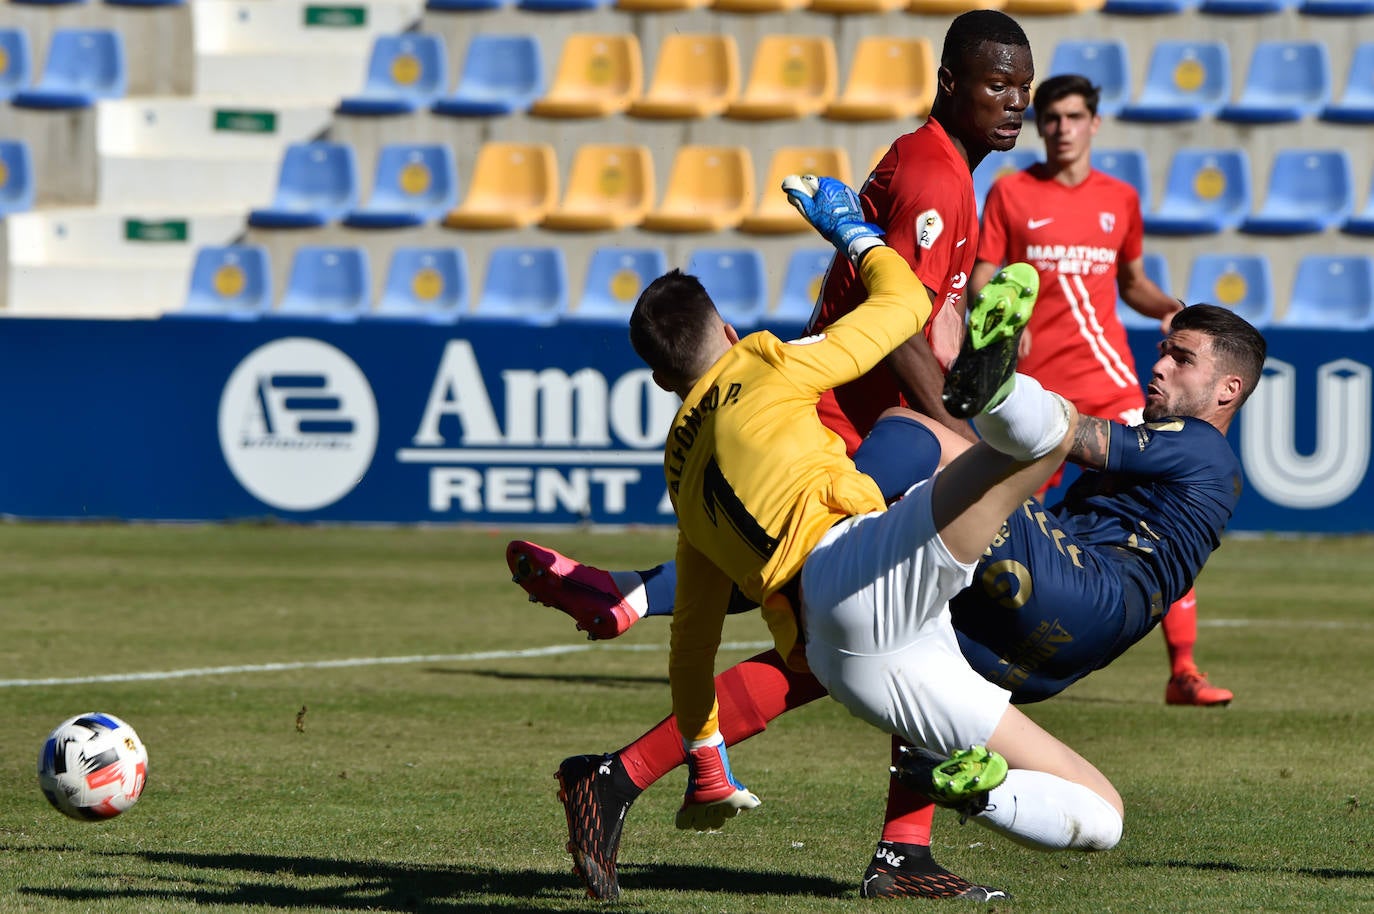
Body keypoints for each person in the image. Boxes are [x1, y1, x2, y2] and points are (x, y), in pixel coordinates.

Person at [536, 11, 1040, 902]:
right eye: (996, 84)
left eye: (1022, 85)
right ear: (949, 81)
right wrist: (952, 432)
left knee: (842, 656)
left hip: (854, 435)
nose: (1015, 102)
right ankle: (893, 850)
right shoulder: (933, 175)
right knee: (898, 640)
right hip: (858, 438)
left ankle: (623, 762)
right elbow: (897, 327)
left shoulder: (942, 167)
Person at [629, 173, 1123, 899]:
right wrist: (852, 234)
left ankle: (978, 794)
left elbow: (694, 634)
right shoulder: (764, 361)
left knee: (1100, 813)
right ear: (728, 333)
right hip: (854, 565)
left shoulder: (680, 479)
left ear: (664, 382)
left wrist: (706, 754)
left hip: (845, 658)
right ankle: (993, 387)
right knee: (1033, 440)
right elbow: (903, 308)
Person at [971, 73, 1232, 707]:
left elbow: (1132, 282)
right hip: (1039, 390)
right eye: (1050, 118)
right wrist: (1007, 318)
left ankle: (1184, 669)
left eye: (1071, 116)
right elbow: (983, 275)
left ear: (1094, 124)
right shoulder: (1010, 193)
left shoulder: (1119, 198)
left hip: (1110, 382)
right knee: (1014, 520)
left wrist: (1175, 311)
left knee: (1154, 510)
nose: (1060, 128)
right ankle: (972, 641)